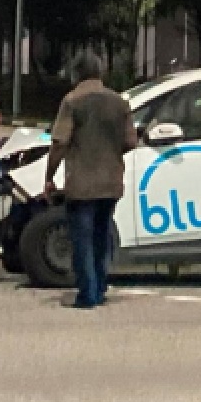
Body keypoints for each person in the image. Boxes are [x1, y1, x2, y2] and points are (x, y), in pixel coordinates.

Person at [44, 51, 137, 309]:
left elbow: (60, 143)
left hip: (82, 184)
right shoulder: (119, 102)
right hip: (111, 182)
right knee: (101, 234)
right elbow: (130, 141)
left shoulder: (73, 101)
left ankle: (88, 293)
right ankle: (101, 286)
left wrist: (49, 176)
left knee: (82, 238)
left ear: (76, 74)